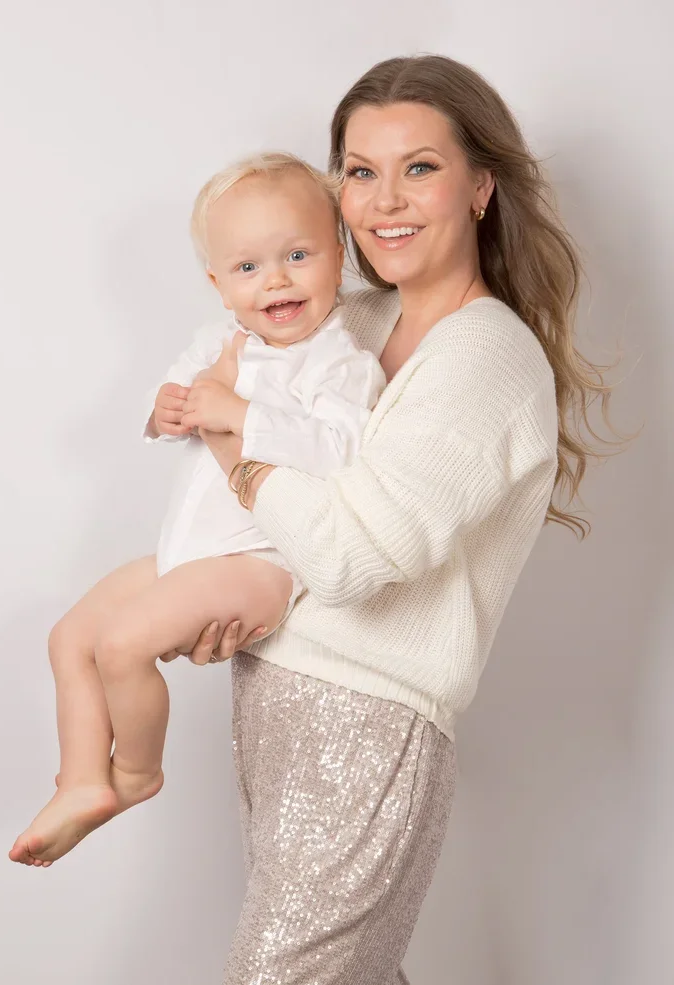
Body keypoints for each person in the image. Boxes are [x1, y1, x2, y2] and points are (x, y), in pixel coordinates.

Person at [171, 55, 615, 984]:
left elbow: (351, 553)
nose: (384, 200)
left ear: (481, 186)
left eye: (419, 167)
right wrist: (221, 588)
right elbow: (222, 416)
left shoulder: (487, 357)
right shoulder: (349, 320)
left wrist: (234, 442)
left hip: (366, 727)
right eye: (361, 171)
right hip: (273, 700)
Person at [8, 153, 386, 868]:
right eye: (247, 268)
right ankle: (84, 775)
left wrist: (239, 411)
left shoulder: (339, 361)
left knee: (122, 644)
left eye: (298, 255)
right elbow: (176, 396)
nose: (275, 279)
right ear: (218, 284)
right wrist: (167, 409)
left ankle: (137, 772)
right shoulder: (219, 342)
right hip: (188, 549)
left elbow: (342, 449)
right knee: (70, 636)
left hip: (259, 557)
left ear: (340, 253)